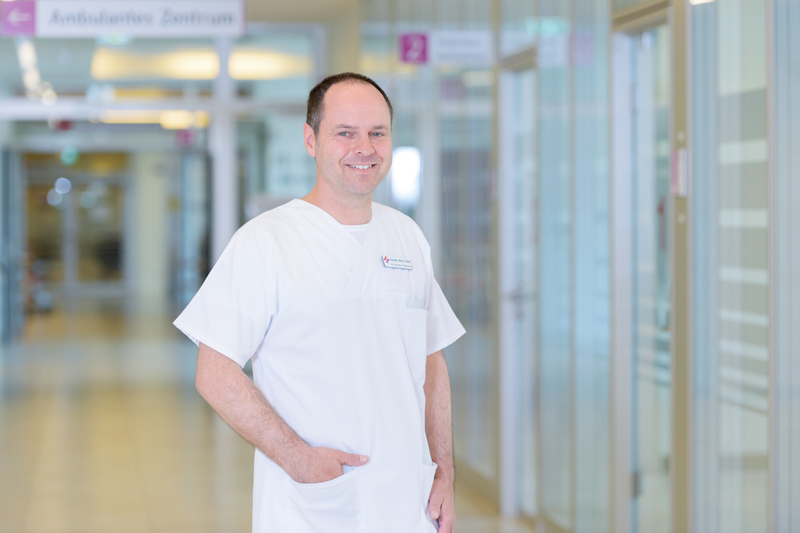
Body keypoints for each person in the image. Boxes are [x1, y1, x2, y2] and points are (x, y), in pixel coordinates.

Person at [174, 72, 465, 533]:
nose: (364, 148)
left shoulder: (407, 236)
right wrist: (298, 458)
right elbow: (214, 371)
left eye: (377, 133)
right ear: (311, 140)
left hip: (408, 501)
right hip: (316, 503)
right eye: (345, 133)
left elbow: (432, 363)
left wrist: (445, 472)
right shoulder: (266, 241)